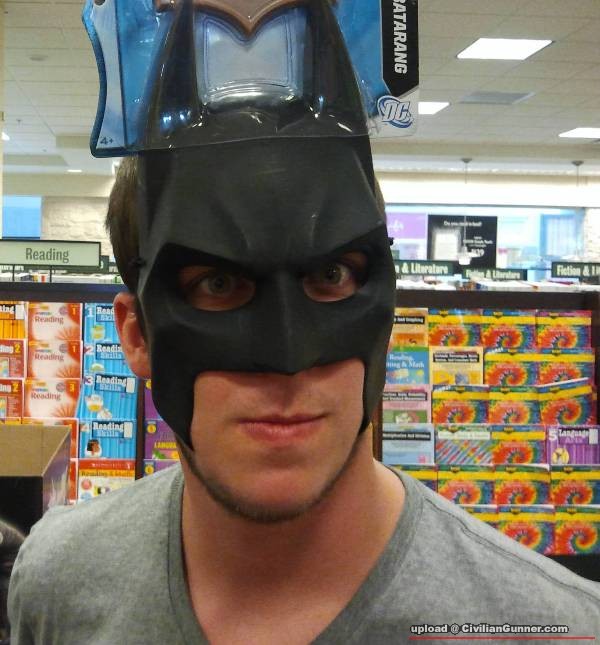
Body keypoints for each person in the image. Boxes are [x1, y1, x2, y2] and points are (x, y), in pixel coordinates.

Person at [8, 2, 600, 643]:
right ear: (135, 334)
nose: (288, 360)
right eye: (218, 285)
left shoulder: (548, 627)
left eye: (332, 275)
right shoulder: (58, 584)